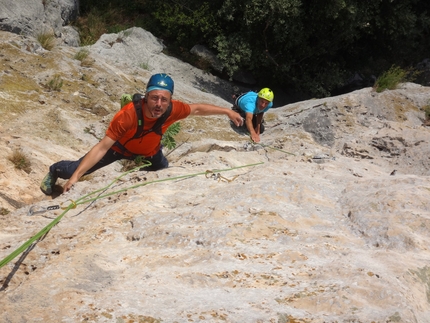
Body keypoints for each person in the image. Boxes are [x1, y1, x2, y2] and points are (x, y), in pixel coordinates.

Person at [40, 73, 243, 195]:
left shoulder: (172, 109)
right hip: (119, 149)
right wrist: (76, 177)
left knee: (164, 174)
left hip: (150, 152)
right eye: (154, 98)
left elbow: (197, 109)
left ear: (170, 99)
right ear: (146, 96)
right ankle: (55, 170)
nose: (159, 104)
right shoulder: (127, 115)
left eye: (164, 99)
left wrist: (227, 111)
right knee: (74, 170)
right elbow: (102, 147)